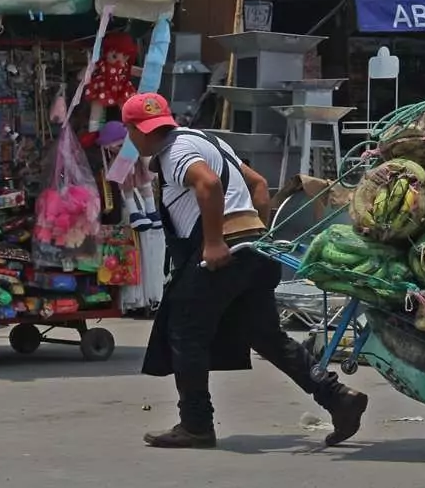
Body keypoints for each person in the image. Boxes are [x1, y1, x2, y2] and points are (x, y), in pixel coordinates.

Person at [121, 93, 368, 449]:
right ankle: (337, 397)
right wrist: (257, 233)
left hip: (223, 253)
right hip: (252, 250)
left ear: (133, 131)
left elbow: (208, 184)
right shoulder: (207, 140)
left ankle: (195, 424)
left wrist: (214, 242)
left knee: (185, 331)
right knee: (266, 336)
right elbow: (259, 187)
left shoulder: (174, 153)